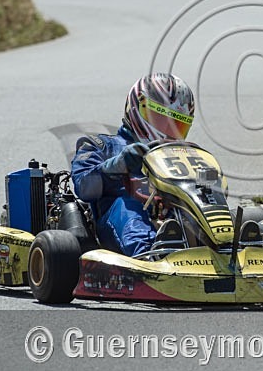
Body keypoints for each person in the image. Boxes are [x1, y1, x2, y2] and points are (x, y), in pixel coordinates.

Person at [71, 73, 195, 256]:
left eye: (177, 125)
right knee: (129, 206)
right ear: (138, 109)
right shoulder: (101, 145)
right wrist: (119, 165)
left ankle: (230, 247)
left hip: (171, 217)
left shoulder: (183, 155)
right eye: (161, 120)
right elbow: (84, 187)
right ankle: (150, 255)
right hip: (115, 223)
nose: (168, 131)